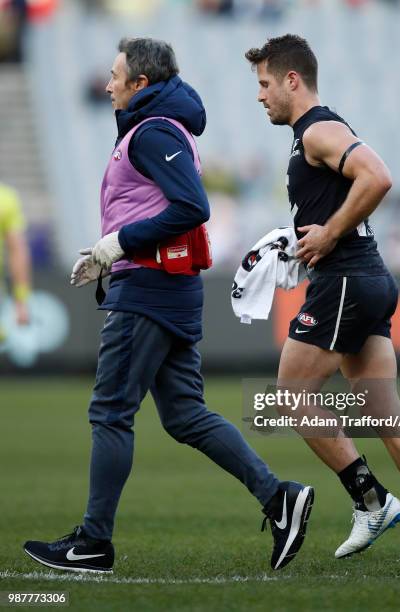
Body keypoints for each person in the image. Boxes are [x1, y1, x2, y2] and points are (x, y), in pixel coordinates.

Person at [23, 37, 314, 573]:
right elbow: (157, 206)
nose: (107, 84)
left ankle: (93, 542)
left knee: (111, 411)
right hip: (165, 285)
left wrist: (122, 244)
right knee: (184, 413)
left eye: (115, 75)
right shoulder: (156, 127)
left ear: (140, 85)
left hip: (149, 292)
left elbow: (191, 206)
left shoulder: (152, 131)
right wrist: (110, 249)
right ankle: (279, 498)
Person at [244, 34, 400, 560]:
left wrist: (327, 235)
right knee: (381, 404)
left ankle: (372, 501)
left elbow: (379, 177)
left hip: (347, 279)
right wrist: (301, 242)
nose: (260, 96)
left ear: (291, 80)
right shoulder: (314, 133)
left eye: (265, 84)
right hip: (363, 277)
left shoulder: (319, 128)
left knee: (290, 394)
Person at [0, 181, 31, 338]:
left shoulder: (6, 199)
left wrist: (21, 300)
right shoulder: (5, 198)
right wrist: (21, 300)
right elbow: (17, 250)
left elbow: (17, 251)